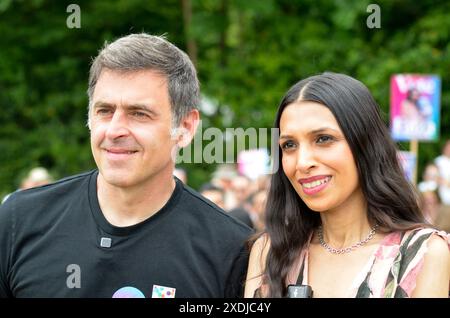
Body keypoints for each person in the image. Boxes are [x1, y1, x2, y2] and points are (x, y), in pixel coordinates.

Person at [0, 33, 251, 298]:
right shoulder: (20, 221)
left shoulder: (231, 250)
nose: (115, 130)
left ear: (186, 128)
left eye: (139, 113)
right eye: (104, 111)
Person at [244, 72, 449, 298]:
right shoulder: (270, 252)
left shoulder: (421, 254)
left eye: (323, 139)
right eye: (289, 144)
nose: (302, 162)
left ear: (366, 144)